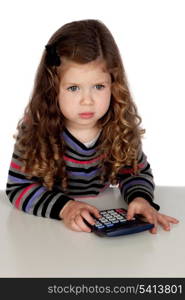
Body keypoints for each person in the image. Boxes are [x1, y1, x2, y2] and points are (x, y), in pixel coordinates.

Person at [6, 19, 179, 234]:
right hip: (47, 231)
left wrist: (140, 198)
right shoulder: (35, 128)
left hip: (102, 216)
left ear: (113, 85)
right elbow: (18, 187)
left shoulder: (119, 125)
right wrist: (65, 207)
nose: (87, 100)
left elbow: (135, 173)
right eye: (73, 88)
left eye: (98, 86)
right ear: (52, 89)